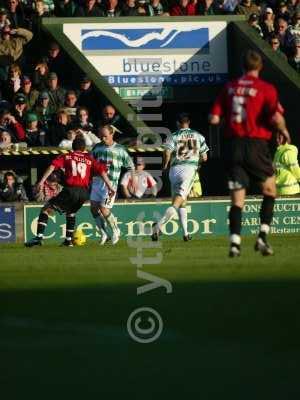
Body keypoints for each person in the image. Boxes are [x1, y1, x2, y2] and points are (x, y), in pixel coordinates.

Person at [209, 49, 291, 257]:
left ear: (243, 67)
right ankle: (262, 238)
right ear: (260, 67)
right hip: (256, 145)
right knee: (270, 190)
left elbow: (214, 119)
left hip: (233, 146)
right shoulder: (266, 88)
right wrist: (283, 130)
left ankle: (235, 243)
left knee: (237, 199)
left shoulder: (229, 88)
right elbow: (276, 117)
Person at [25, 137, 115, 247]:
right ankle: (68, 241)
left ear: (73, 146)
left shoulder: (67, 156)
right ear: (84, 148)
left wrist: (41, 181)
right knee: (71, 212)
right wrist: (110, 187)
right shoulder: (89, 159)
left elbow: (52, 166)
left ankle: (38, 238)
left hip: (71, 190)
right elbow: (102, 171)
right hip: (84, 193)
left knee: (46, 209)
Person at [151, 113, 209, 242]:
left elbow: (167, 152)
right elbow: (205, 157)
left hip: (174, 169)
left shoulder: (173, 136)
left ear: (178, 123)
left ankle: (186, 234)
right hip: (189, 170)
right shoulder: (198, 136)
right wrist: (197, 162)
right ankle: (158, 226)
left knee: (182, 202)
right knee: (178, 203)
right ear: (189, 122)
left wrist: (165, 165)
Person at [90, 124, 134, 245]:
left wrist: (133, 180)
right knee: (93, 208)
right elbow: (90, 162)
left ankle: (116, 231)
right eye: (101, 136)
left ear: (111, 134)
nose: (103, 139)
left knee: (104, 209)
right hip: (97, 182)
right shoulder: (97, 148)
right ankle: (104, 234)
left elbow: (130, 165)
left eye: (105, 136)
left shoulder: (120, 149)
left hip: (110, 184)